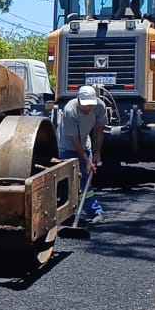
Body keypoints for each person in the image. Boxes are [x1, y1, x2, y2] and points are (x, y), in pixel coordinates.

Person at [59, 85, 107, 218]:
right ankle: (66, 214)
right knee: (69, 181)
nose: (88, 108)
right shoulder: (70, 110)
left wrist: (97, 152)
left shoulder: (100, 107)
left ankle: (95, 212)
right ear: (78, 100)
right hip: (66, 147)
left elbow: (99, 130)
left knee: (86, 179)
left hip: (85, 145)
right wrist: (86, 161)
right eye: (85, 105)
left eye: (91, 105)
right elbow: (74, 139)